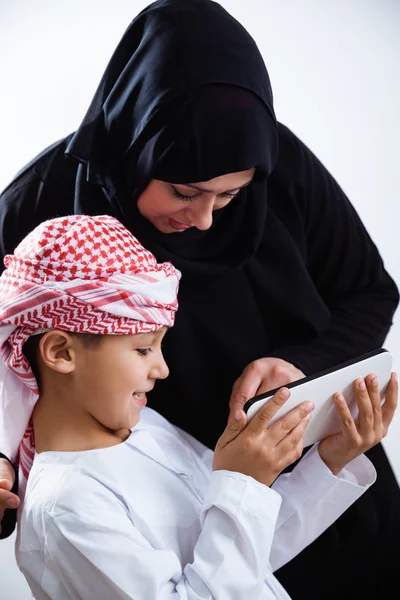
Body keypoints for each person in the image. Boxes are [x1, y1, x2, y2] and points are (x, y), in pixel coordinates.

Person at [0, 1, 399, 597]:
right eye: (186, 190)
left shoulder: (272, 162)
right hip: (147, 504)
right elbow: (9, 344)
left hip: (297, 486)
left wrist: (304, 373)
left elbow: (368, 290)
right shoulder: (41, 211)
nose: (208, 220)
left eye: (231, 196)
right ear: (139, 147)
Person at [0, 213, 396, 600]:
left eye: (159, 345)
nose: (162, 368)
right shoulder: (66, 509)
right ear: (60, 351)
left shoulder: (149, 427)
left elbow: (244, 554)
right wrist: (244, 483)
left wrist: (330, 460)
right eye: (142, 349)